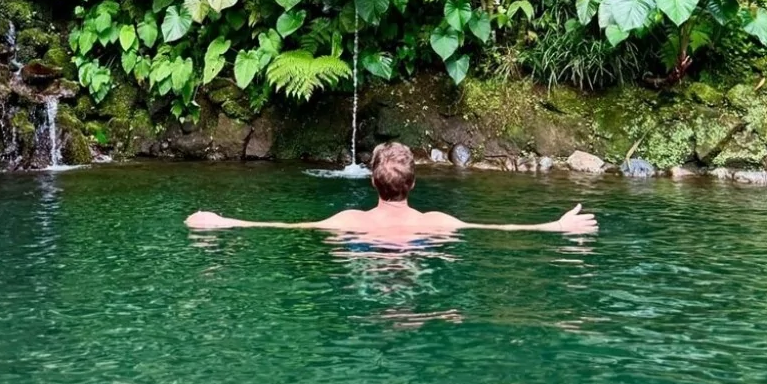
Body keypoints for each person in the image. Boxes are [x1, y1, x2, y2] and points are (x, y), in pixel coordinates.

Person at [185, 142, 598, 237]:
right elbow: (502, 229)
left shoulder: (348, 221)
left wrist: (222, 222)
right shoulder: (437, 223)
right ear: (414, 183)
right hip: (420, 249)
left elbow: (284, 226)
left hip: (365, 250)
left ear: (372, 181)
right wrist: (557, 226)